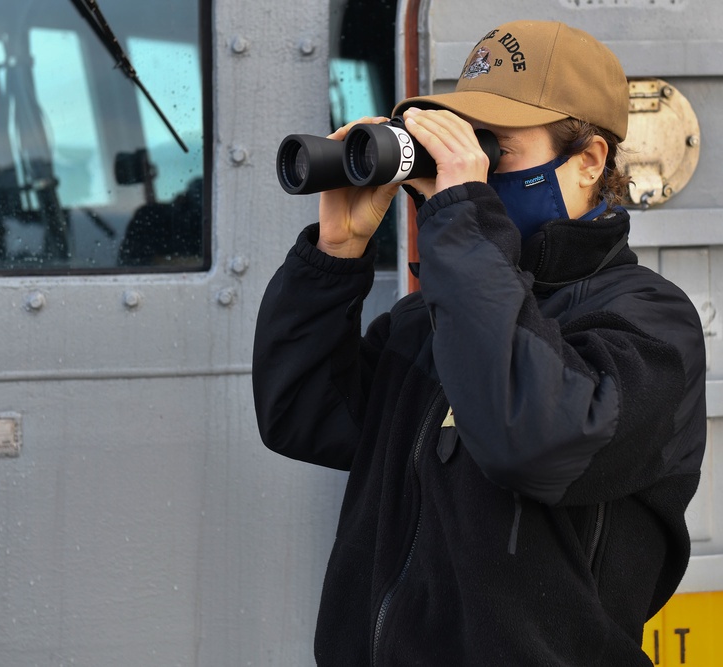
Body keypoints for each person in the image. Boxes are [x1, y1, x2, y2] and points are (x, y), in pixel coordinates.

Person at [252, 20, 706, 665]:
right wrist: (337, 254)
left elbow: (535, 440)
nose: (476, 173)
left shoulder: (650, 324)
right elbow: (303, 418)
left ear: (589, 160)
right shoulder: (429, 319)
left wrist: (463, 219)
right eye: (466, 149)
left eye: (496, 149)